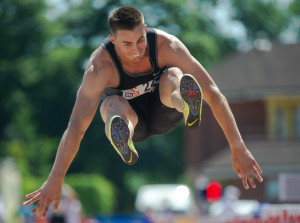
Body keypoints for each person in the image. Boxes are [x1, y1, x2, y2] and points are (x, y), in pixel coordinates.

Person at [23, 6, 263, 218]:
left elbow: (212, 92)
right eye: (127, 44)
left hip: (165, 109)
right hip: (132, 122)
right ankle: (122, 134)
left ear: (145, 29)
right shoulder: (99, 68)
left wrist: (237, 146)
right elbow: (76, 126)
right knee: (111, 104)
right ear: (113, 40)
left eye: (140, 40)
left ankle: (187, 102)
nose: (137, 50)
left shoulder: (166, 45)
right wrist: (56, 178)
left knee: (173, 76)